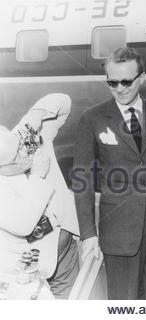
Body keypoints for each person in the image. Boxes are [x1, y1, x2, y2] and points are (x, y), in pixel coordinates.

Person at [73, 47, 146, 300]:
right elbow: (83, 181)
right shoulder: (92, 119)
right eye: (112, 82)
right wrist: (88, 234)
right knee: (123, 303)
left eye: (126, 81)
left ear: (142, 78)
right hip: (119, 231)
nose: (119, 88)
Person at [0, 93, 79, 299]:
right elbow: (23, 222)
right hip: (32, 269)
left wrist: (36, 114)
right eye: (15, 157)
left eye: (20, 147)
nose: (25, 153)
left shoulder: (26, 139)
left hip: (66, 250)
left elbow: (63, 101)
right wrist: (37, 176)